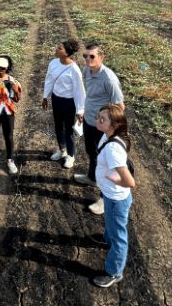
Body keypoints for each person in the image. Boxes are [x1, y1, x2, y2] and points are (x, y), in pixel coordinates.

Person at [74, 43, 125, 216]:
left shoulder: (109, 79)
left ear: (101, 58)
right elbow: (88, 94)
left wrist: (112, 130)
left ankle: (104, 199)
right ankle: (92, 178)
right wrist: (83, 111)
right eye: (85, 56)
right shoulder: (87, 70)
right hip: (89, 120)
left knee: (106, 162)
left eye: (92, 56)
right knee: (91, 152)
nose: (88, 59)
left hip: (104, 127)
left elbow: (119, 105)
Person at [92, 103, 136, 288]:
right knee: (111, 225)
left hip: (116, 198)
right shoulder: (109, 136)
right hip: (111, 196)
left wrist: (114, 179)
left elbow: (130, 182)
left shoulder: (112, 149)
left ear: (114, 124)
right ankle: (106, 239)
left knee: (119, 236)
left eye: (103, 119)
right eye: (98, 116)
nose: (98, 120)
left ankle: (114, 272)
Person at [41, 37, 86, 169]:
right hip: (56, 99)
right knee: (58, 126)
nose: (56, 49)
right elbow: (49, 80)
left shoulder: (74, 69)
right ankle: (62, 150)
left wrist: (80, 110)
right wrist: (45, 97)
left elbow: (79, 91)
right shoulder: (53, 63)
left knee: (69, 131)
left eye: (60, 48)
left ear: (67, 53)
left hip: (69, 103)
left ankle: (71, 156)